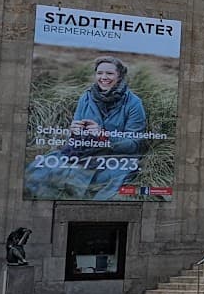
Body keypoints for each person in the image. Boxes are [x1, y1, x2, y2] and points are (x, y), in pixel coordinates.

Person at [26, 56, 150, 199]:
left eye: (109, 73)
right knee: (38, 171)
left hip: (115, 157)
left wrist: (104, 135)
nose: (103, 77)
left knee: (110, 185)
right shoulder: (86, 97)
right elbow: (74, 136)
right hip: (86, 152)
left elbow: (134, 144)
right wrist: (73, 132)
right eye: (99, 73)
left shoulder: (134, 103)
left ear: (120, 76)